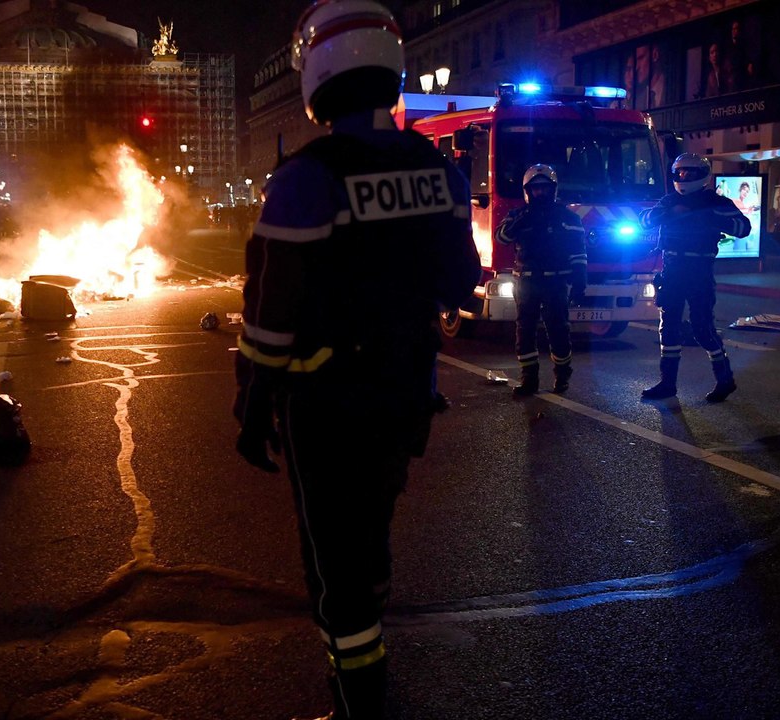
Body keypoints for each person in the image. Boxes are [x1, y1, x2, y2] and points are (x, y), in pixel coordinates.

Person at [232, 2, 480, 717]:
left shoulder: (307, 177)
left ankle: (358, 702)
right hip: (404, 392)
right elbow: (460, 280)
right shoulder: (437, 168)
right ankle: (363, 675)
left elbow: (271, 317)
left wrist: (253, 405)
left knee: (334, 563)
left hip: (327, 403)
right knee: (369, 541)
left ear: (318, 70)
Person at [638, 153, 751, 402]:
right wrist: (665, 215)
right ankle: (667, 383)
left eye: (689, 173)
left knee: (702, 328)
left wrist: (710, 217)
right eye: (680, 173)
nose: (684, 177)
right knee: (669, 329)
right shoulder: (668, 201)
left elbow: (744, 228)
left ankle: (725, 379)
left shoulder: (715, 202)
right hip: (672, 270)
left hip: (699, 270)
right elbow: (644, 221)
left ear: (702, 175)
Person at [497, 164, 587, 396]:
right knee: (525, 331)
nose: (540, 193)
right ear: (527, 191)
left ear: (553, 189)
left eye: (544, 188)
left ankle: (563, 374)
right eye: (535, 189)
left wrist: (579, 281)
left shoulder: (567, 217)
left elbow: (578, 252)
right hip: (526, 282)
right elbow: (502, 237)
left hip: (556, 283)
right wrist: (522, 219)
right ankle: (529, 380)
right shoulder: (518, 215)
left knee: (558, 330)